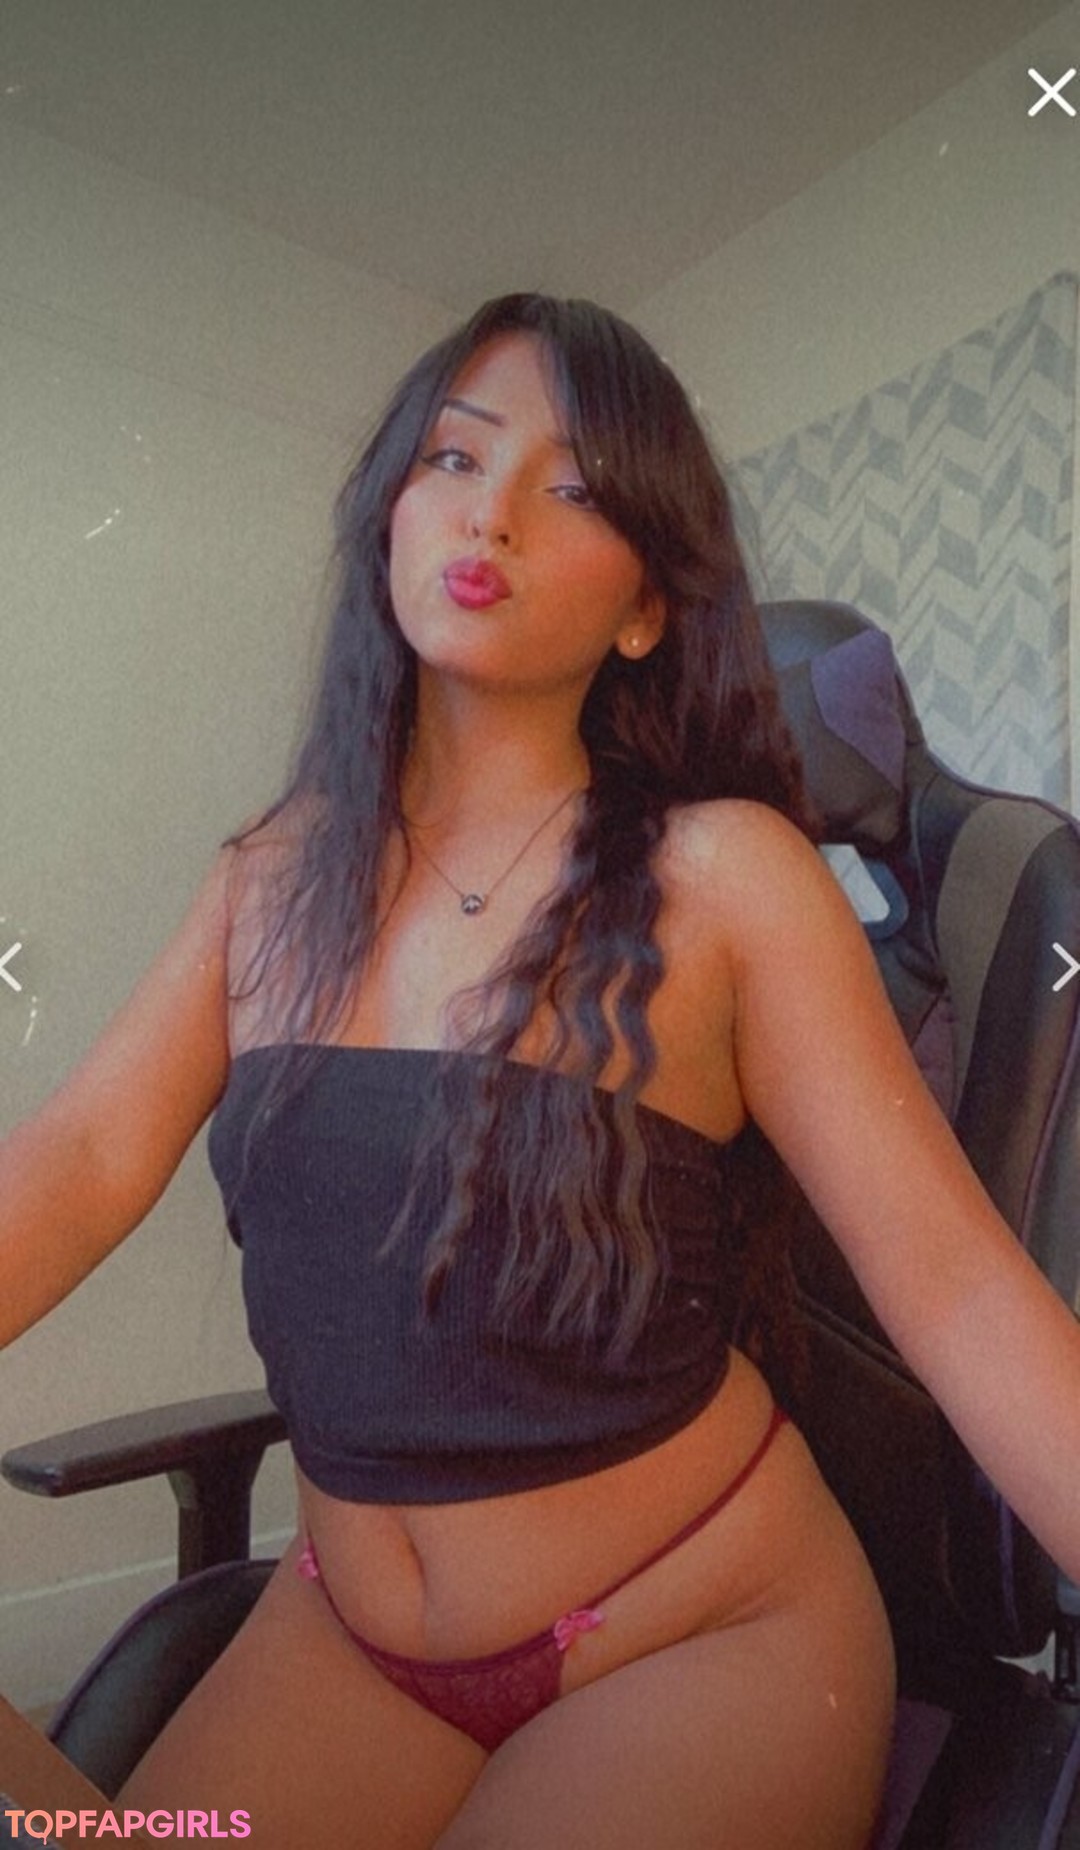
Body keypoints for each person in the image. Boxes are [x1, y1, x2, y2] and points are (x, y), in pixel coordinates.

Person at [3, 292, 1080, 1850]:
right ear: (391, 518)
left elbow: (959, 1288)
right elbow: (83, 1158)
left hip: (693, 1628)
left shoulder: (730, 878)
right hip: (349, 1637)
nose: (490, 510)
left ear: (642, 608)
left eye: (571, 487)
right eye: (454, 456)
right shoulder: (268, 878)